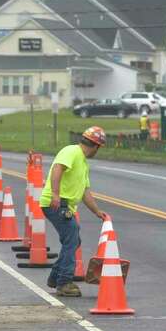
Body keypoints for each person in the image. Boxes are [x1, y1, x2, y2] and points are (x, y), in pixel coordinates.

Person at [39, 126, 111, 297]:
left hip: (64, 205)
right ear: (96, 146)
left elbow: (85, 192)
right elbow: (57, 168)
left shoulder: (83, 162)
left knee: (73, 240)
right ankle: (64, 282)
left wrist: (96, 211)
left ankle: (56, 277)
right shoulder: (72, 151)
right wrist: (55, 194)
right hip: (57, 204)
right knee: (71, 240)